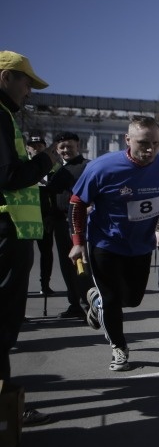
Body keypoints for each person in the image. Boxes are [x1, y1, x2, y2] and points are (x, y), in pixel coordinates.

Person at [68, 116, 159, 371]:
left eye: (155, 143)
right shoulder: (102, 167)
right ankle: (119, 347)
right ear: (127, 140)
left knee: (132, 300)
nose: (150, 150)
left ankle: (96, 301)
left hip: (141, 245)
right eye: (143, 143)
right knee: (111, 299)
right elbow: (77, 203)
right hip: (105, 242)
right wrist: (78, 242)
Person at [0, 50, 56, 426]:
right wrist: (45, 161)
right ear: (5, 78)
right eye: (26, 82)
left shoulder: (7, 117)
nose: (29, 92)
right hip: (5, 235)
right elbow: (7, 177)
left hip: (11, 234)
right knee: (2, 322)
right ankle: (5, 410)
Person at [44, 131, 92, 319]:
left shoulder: (87, 167)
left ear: (77, 146)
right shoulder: (55, 169)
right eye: (62, 147)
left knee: (80, 266)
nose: (66, 150)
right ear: (56, 149)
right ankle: (75, 303)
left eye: (69, 146)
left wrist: (91, 208)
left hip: (78, 224)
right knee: (67, 266)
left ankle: (88, 305)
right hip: (59, 222)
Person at [26, 132, 57, 296]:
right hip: (26, 218)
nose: (36, 149)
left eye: (40, 146)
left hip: (46, 217)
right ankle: (22, 285)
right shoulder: (23, 167)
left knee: (46, 252)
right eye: (33, 146)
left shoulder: (52, 168)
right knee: (25, 255)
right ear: (28, 149)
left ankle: (45, 284)